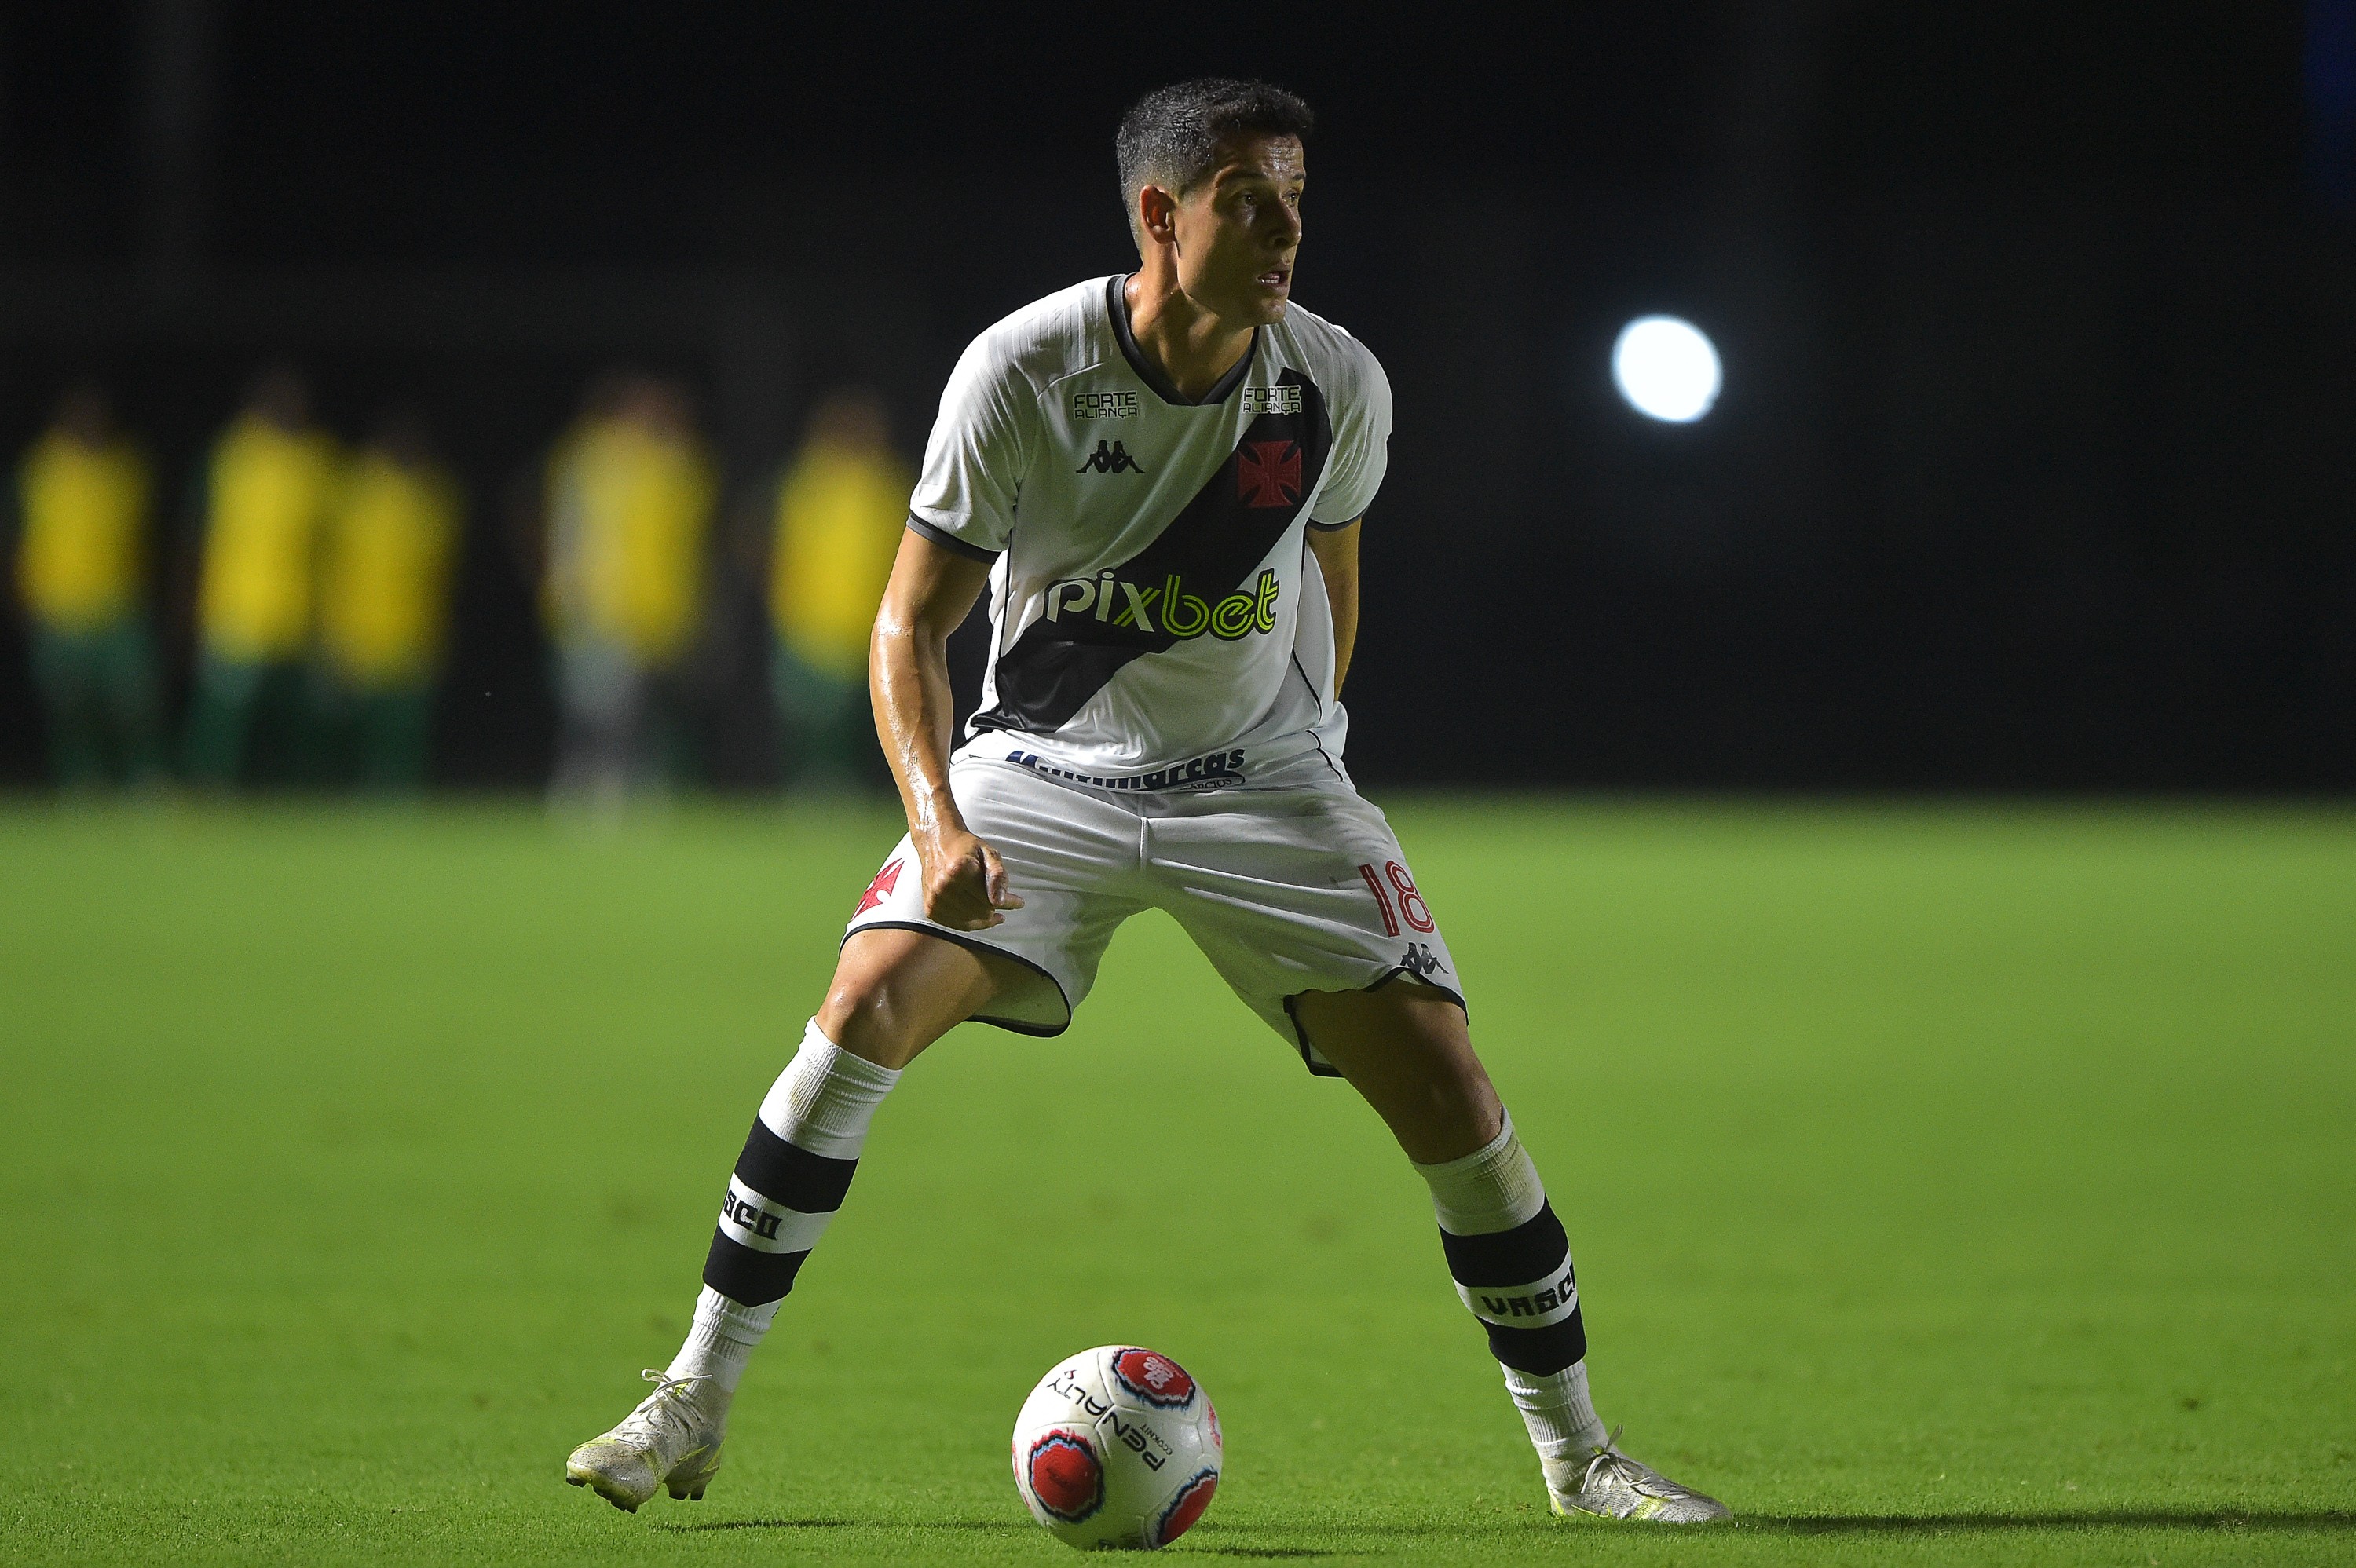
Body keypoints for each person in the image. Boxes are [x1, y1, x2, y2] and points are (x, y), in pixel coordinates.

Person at [565, 79, 1729, 1526]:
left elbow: (1333, 579)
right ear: (1160, 215)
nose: (1286, 229)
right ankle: (689, 1399)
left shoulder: (1336, 381)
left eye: (1297, 197)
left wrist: (1302, 756)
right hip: (1041, 773)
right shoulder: (1024, 370)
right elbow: (905, 624)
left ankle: (1579, 1456)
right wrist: (937, 827)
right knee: (861, 1007)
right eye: (1251, 200)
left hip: (1261, 781)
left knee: (1450, 1087)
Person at [543, 375, 715, 807]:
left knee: (649, 711)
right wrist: (568, 585)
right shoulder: (590, 458)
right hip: (602, 603)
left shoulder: (674, 463)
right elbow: (568, 528)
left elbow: (692, 530)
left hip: (659, 610)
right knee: (598, 706)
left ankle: (640, 785)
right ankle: (584, 784)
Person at [183, 367, 340, 788]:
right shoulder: (230, 455)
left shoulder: (318, 460)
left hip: (300, 616)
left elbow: (332, 546)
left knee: (302, 721)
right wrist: (189, 607)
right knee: (223, 720)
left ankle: (298, 795)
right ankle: (207, 791)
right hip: (238, 612)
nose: (288, 409)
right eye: (277, 401)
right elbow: (195, 536)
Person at [11, 383, 163, 788]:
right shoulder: (39, 468)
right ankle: (81, 781)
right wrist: (24, 605)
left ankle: (144, 778)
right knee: (70, 708)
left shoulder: (128, 469)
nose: (89, 424)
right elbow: (18, 543)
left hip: (119, 608)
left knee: (135, 702)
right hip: (59, 611)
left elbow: (146, 541)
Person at [766, 389, 909, 789]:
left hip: (864, 627)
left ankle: (843, 787)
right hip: (805, 625)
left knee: (854, 724)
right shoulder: (807, 482)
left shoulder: (887, 485)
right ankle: (806, 787)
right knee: (805, 721)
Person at [314, 412, 460, 792]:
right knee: (354, 727)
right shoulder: (354, 493)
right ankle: (340, 791)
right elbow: (330, 563)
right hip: (357, 631)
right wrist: (331, 629)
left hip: (413, 630)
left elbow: (441, 571)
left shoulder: (434, 498)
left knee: (403, 729)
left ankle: (399, 796)